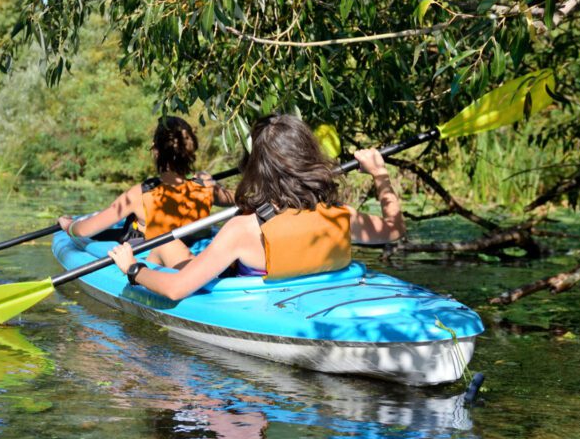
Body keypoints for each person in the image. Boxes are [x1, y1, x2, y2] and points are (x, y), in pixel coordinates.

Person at [106, 114, 405, 300]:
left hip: (257, 306)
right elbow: (393, 230)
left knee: (166, 250)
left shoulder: (243, 228)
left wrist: (133, 268)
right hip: (317, 297)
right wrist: (380, 174)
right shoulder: (341, 215)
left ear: (256, 167)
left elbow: (175, 289)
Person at [58, 116, 234, 268]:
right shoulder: (206, 185)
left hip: (161, 264)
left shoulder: (138, 195)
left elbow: (84, 230)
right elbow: (234, 198)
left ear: (156, 151)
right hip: (195, 255)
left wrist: (69, 226)